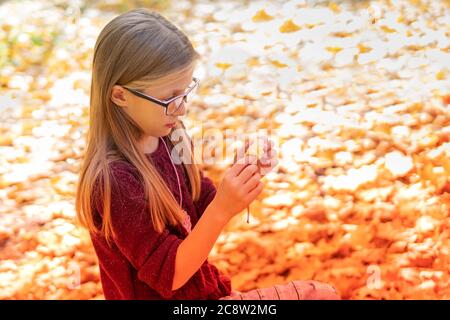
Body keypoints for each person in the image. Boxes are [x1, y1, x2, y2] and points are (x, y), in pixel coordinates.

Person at [75, 8, 340, 300]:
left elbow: (198, 208)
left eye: (184, 94)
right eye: (168, 99)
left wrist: (241, 175)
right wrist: (223, 208)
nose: (181, 109)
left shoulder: (169, 134)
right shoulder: (115, 180)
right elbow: (171, 275)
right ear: (120, 95)